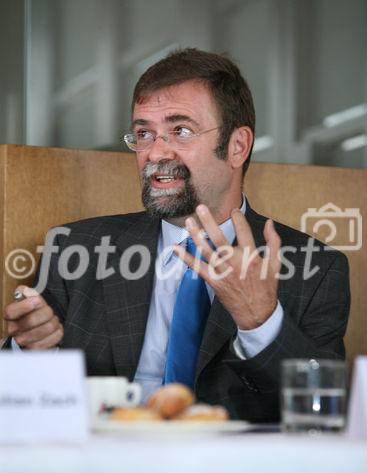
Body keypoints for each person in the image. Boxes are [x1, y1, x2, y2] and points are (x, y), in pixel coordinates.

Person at [3, 48, 350, 422]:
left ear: (237, 146)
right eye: (144, 133)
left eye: (180, 130)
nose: (155, 153)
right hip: (104, 465)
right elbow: (18, 400)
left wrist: (261, 322)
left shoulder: (315, 267)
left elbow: (319, 410)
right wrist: (32, 351)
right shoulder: (74, 248)